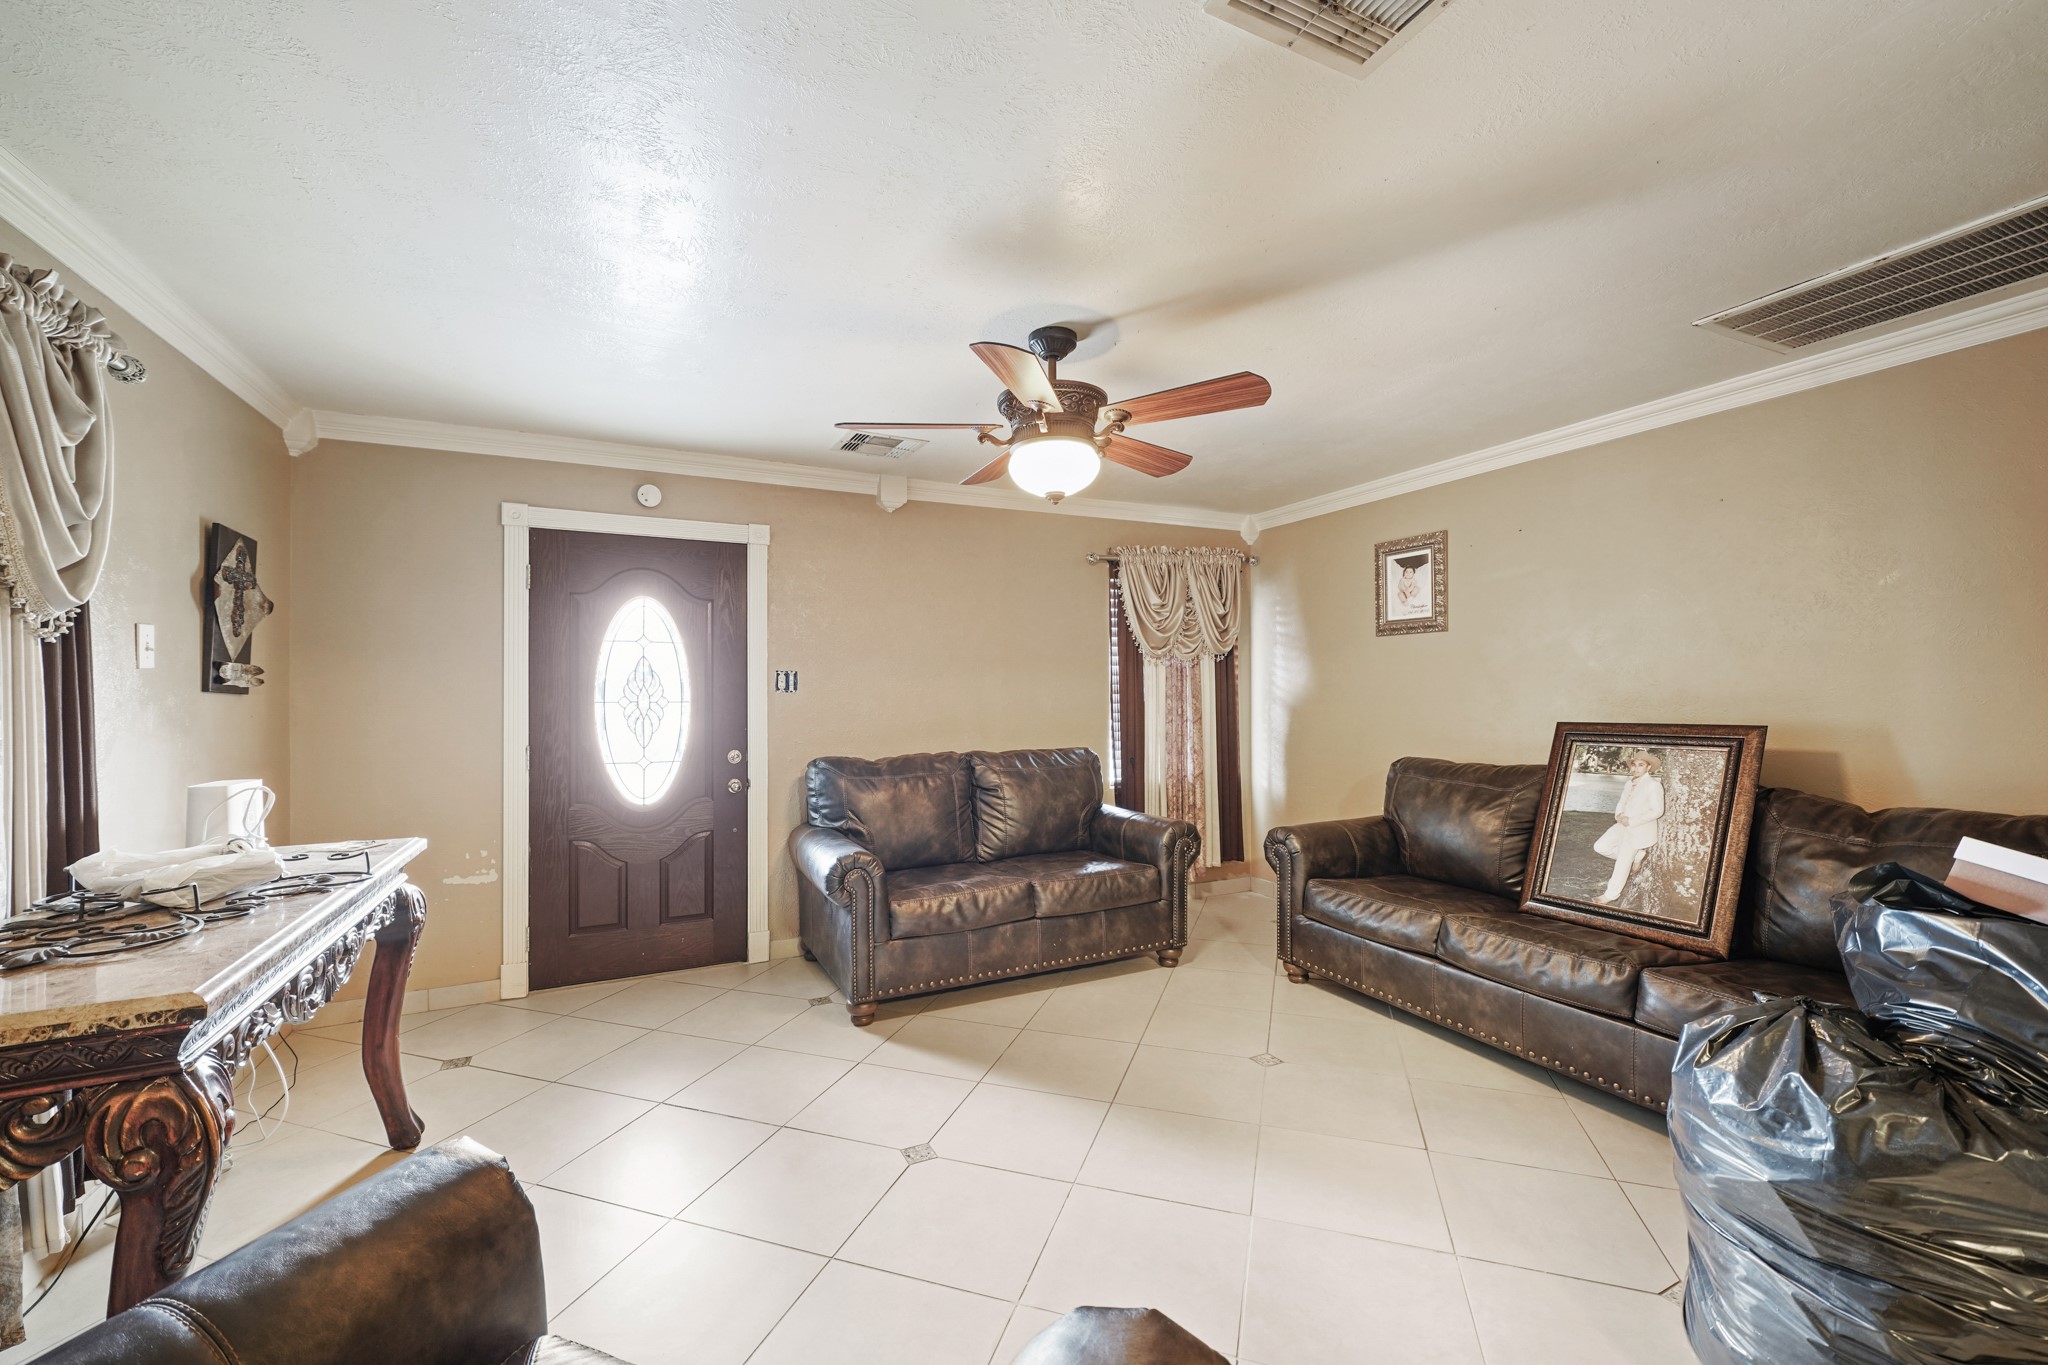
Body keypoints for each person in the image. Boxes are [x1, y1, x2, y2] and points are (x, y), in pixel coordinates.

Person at [1592, 750, 1664, 904]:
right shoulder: (1629, 783)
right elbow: (1622, 801)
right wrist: (1618, 815)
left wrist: (1631, 821)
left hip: (1638, 828)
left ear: (1648, 768)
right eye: (1634, 765)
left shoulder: (1653, 785)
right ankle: (1637, 856)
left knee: (1623, 861)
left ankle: (1610, 895)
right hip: (1622, 824)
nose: (1636, 768)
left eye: (1641, 765)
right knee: (1600, 846)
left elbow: (1657, 811)